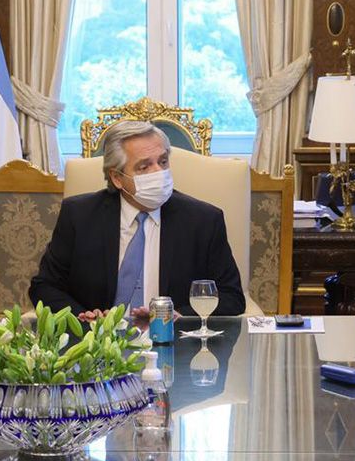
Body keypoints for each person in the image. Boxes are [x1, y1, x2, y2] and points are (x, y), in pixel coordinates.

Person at [29, 120, 245, 321]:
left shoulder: (204, 221)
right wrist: (82, 316)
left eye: (162, 162)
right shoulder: (79, 215)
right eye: (144, 167)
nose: (158, 173)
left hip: (172, 344)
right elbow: (44, 286)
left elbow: (231, 297)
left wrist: (180, 316)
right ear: (117, 178)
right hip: (98, 345)